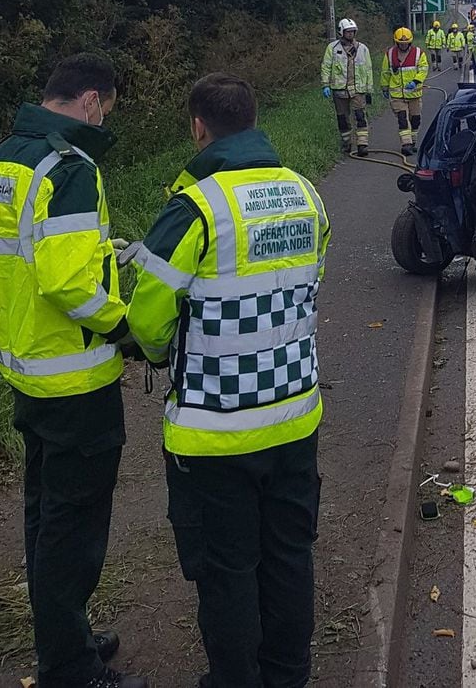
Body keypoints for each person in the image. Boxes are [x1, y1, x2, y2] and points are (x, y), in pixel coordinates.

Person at [127, 74, 331, 688]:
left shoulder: (196, 206)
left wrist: (160, 347)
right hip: (296, 417)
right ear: (255, 118)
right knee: (290, 558)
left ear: (198, 128)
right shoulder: (306, 194)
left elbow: (148, 319)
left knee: (228, 571)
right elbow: (307, 282)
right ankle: (288, 675)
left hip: (213, 435)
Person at [0, 54, 146, 688]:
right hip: (76, 380)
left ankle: (62, 633)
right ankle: (69, 667)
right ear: (92, 100)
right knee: (74, 526)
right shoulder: (69, 167)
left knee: (45, 515)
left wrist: (105, 252)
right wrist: (124, 327)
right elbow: (69, 282)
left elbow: (7, 262)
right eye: (109, 109)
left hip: (25, 366)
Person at [320, 18, 373, 157]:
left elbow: (368, 70)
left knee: (360, 116)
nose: (350, 34)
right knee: (342, 118)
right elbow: (326, 66)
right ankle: (346, 143)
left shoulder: (362, 49)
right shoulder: (332, 48)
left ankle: (362, 145)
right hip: (339, 90)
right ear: (341, 32)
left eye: (352, 31)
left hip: (358, 90)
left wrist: (369, 90)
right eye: (347, 31)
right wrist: (325, 85)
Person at [380, 27, 429, 156]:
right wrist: (384, 87)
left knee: (415, 119)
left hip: (414, 94)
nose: (403, 45)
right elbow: (385, 73)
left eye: (405, 43)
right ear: (396, 42)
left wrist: (416, 81)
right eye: (400, 43)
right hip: (397, 95)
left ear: (410, 42)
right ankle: (405, 144)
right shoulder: (389, 55)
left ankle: (412, 142)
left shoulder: (418, 54)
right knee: (402, 119)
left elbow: (423, 69)